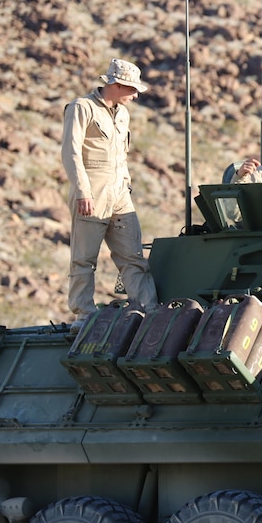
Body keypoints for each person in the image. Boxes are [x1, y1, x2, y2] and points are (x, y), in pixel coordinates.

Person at [61, 58, 158, 330]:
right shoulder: (82, 108)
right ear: (115, 84)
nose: (136, 95)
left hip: (119, 194)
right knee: (84, 257)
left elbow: (121, 156)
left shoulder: (123, 114)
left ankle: (148, 310)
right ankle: (83, 314)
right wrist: (82, 191)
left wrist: (125, 185)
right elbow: (71, 152)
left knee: (133, 256)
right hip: (92, 192)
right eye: (131, 88)